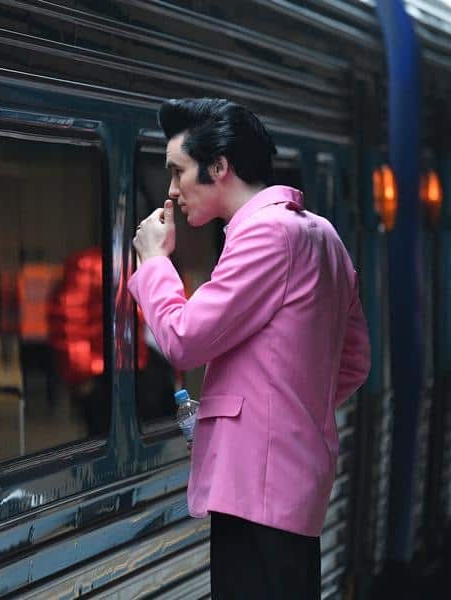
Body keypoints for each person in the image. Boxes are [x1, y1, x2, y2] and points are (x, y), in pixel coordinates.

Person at [129, 98, 370, 599]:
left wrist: (153, 262)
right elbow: (352, 362)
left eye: (178, 171)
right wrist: (280, 416)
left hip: (256, 493)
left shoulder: (265, 234)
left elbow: (182, 338)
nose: (172, 190)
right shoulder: (322, 234)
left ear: (219, 167)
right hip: (287, 487)